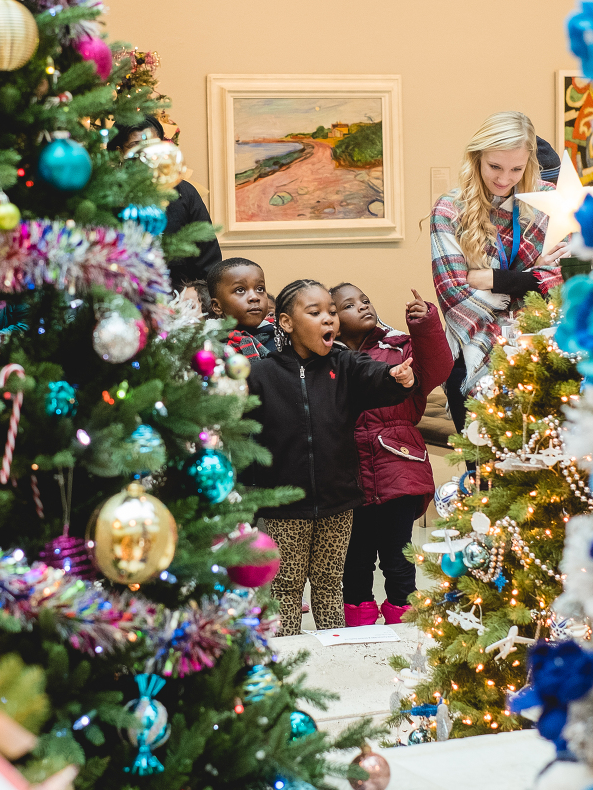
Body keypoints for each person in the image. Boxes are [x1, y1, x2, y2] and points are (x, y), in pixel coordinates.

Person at [246, 280, 416, 636]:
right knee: (286, 586)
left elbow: (373, 375)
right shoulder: (261, 373)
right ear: (287, 323)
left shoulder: (345, 364)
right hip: (284, 506)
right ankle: (287, 656)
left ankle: (337, 660)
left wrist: (394, 375)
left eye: (332, 312)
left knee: (328, 584)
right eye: (315, 313)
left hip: (338, 501)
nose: (329, 320)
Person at [431, 112, 567, 433]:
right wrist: (535, 276)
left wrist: (493, 279)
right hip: (474, 360)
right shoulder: (450, 209)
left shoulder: (550, 203)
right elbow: (456, 295)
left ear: (529, 164)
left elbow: (568, 280)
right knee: (483, 480)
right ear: (477, 157)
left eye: (516, 169)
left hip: (541, 359)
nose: (505, 179)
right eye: (495, 167)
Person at [333, 283, 454, 626]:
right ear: (332, 319)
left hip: (400, 465)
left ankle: (404, 612)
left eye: (365, 299)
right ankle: (357, 612)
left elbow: (438, 367)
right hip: (349, 470)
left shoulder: (399, 346)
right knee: (354, 555)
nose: (363, 306)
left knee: (397, 552)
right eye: (349, 305)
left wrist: (424, 324)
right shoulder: (327, 357)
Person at [109, 115, 222, 287]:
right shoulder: (106, 197)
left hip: (181, 301)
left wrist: (201, 300)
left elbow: (209, 263)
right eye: (136, 146)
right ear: (119, 152)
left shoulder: (185, 193)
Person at [208, 257, 276, 359]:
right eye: (240, 290)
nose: (254, 297)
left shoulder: (282, 340)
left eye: (260, 289)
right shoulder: (210, 349)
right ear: (217, 306)